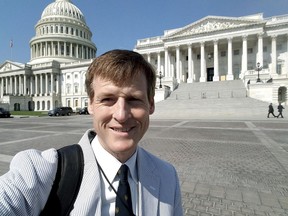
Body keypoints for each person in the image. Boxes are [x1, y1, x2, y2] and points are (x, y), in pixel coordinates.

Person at [0, 49, 183, 216]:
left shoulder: (168, 177)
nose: (121, 115)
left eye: (134, 99)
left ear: (151, 105)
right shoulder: (43, 172)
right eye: (107, 99)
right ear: (90, 104)